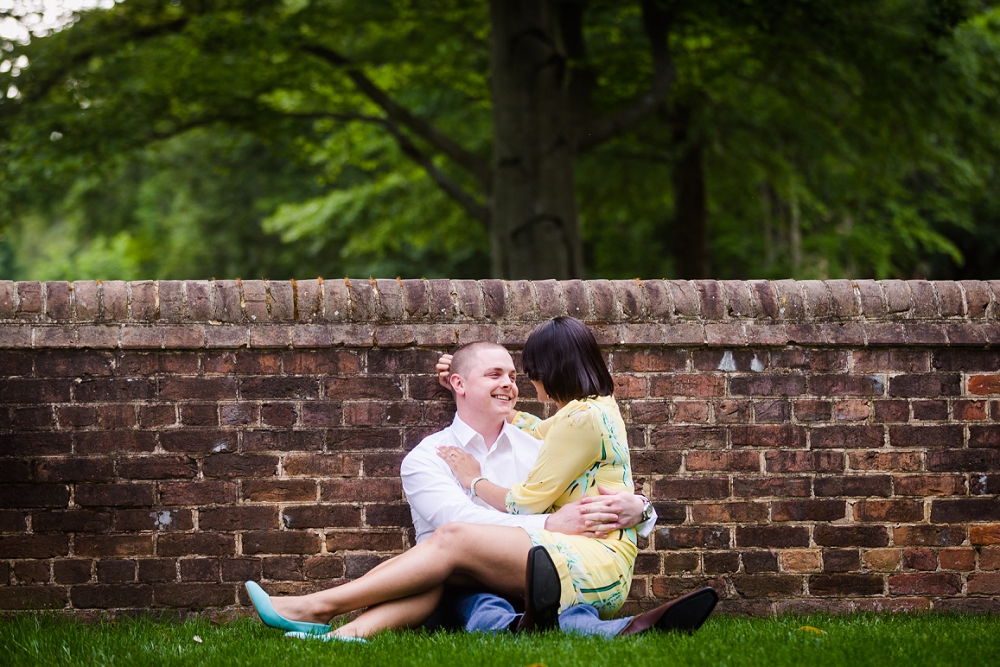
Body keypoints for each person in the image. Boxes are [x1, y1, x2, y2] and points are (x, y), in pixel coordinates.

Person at [245, 317, 716, 640]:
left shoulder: (537, 444)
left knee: (534, 603)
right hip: (453, 582)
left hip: (527, 570)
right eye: (496, 373)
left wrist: (642, 508)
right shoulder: (429, 456)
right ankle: (331, 622)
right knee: (477, 592)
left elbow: (586, 478)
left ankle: (322, 617)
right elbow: (461, 524)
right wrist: (548, 527)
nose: (513, 383)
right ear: (459, 385)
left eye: (515, 375)